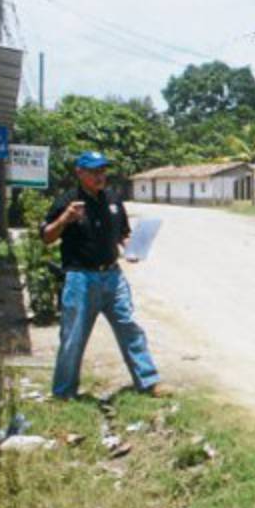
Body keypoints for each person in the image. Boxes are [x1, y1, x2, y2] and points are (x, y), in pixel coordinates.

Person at [42, 151, 161, 399]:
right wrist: (65, 219)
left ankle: (148, 382)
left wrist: (132, 247)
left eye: (103, 170)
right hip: (80, 279)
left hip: (113, 277)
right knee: (73, 336)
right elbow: (46, 237)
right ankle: (64, 393)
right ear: (80, 172)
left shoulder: (114, 200)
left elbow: (122, 234)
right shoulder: (68, 201)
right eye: (94, 171)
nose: (100, 176)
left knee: (130, 327)